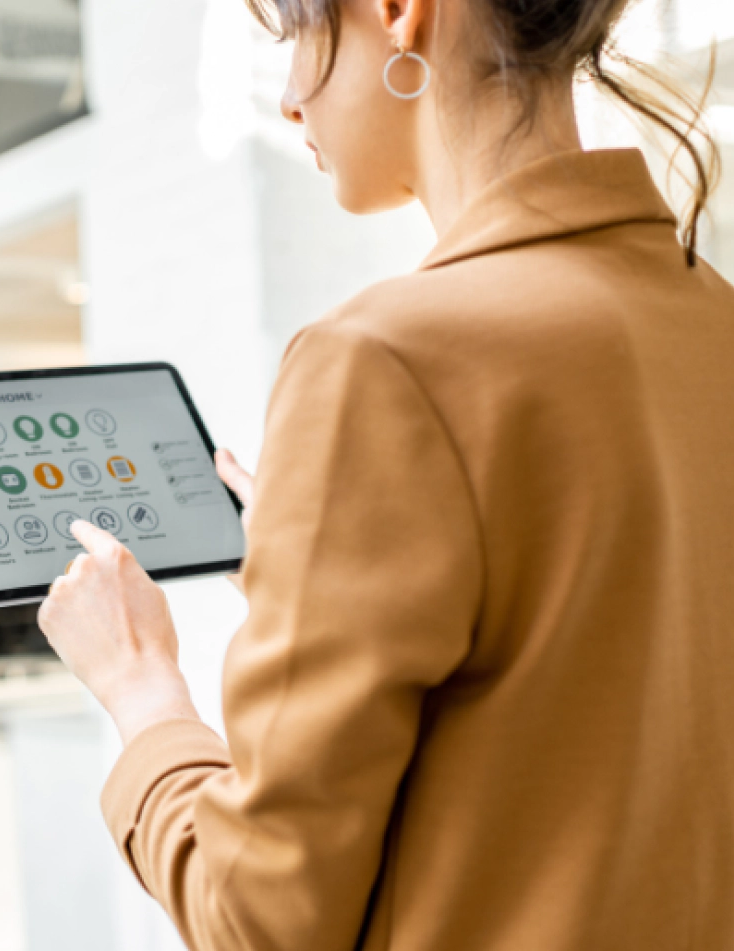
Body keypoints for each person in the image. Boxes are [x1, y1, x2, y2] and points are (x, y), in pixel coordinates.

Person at [37, 0, 734, 948]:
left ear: (400, 13)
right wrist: (331, 568)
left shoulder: (382, 361)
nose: (287, 98)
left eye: (291, 40)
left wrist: (140, 685)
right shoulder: (710, 317)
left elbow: (257, 918)